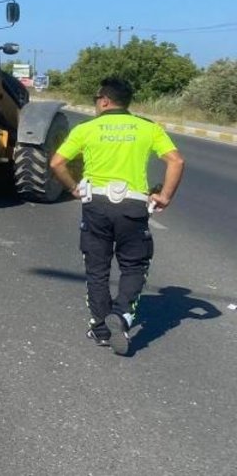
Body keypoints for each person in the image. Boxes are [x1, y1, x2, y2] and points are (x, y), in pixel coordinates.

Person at [50, 76, 186, 356]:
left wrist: (74, 188)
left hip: (96, 205)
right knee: (134, 265)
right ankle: (122, 315)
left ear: (104, 100)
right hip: (133, 207)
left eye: (96, 100)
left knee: (97, 269)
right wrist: (165, 196)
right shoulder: (148, 128)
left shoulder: (87, 129)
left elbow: (57, 162)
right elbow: (176, 160)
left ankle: (100, 329)